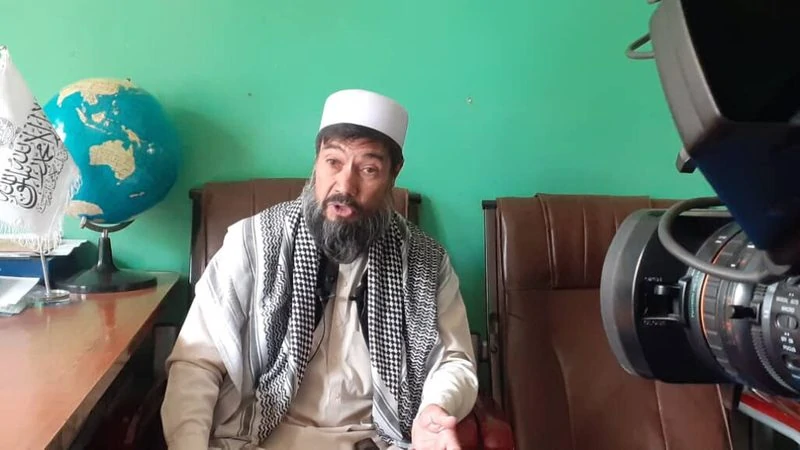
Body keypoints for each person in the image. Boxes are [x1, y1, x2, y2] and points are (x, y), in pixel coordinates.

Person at [161, 89, 478, 450]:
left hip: (376, 440)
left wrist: (436, 407)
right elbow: (197, 363)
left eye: (368, 169)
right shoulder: (253, 244)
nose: (345, 186)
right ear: (316, 163)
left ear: (393, 175)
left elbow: (454, 362)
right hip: (258, 440)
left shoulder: (424, 261)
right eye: (333, 162)